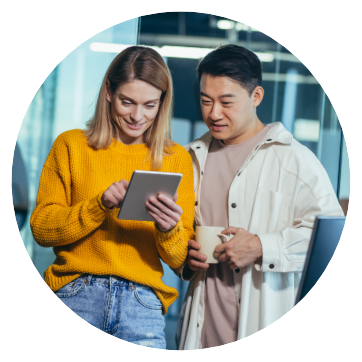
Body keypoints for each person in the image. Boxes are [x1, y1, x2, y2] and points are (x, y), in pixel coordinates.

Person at [174, 44, 344, 350]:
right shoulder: (189, 158)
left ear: (256, 97)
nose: (214, 113)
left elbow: (334, 242)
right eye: (205, 101)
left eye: (226, 102)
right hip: (199, 329)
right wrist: (185, 256)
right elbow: (178, 234)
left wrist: (263, 245)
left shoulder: (295, 161)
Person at [30, 46, 195, 350]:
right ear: (108, 91)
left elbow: (181, 261)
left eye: (150, 105)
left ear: (162, 102)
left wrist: (169, 228)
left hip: (141, 305)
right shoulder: (71, 146)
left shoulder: (176, 159)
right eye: (127, 102)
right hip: (75, 295)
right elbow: (41, 230)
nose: (137, 116)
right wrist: (99, 206)